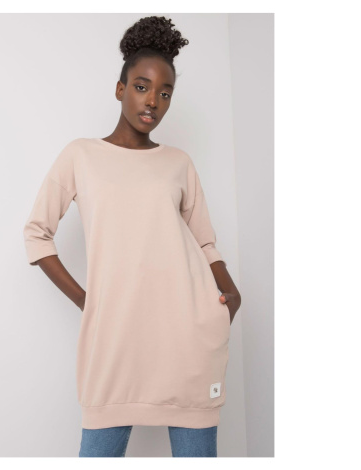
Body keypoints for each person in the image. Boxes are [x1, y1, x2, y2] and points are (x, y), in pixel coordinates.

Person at [23, 15, 241, 458]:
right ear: (120, 88)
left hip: (187, 337)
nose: (153, 101)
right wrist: (88, 301)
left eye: (165, 93)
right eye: (142, 86)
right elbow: (37, 235)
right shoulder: (81, 155)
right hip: (115, 341)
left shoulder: (178, 162)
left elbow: (205, 242)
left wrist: (230, 293)